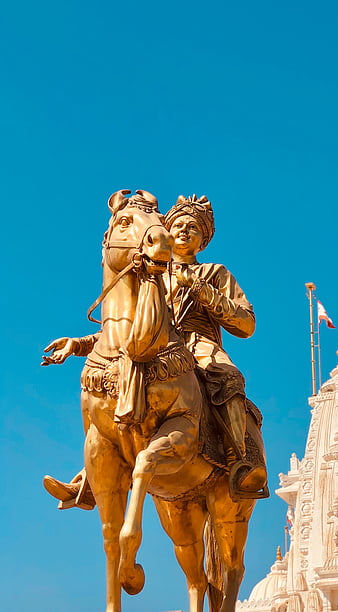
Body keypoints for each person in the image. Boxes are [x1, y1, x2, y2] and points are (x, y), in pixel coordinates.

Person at [42, 194, 267, 508]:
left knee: (228, 377)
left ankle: (241, 460)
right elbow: (126, 328)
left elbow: (245, 323)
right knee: (107, 384)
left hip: (199, 347)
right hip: (153, 346)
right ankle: (92, 475)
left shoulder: (214, 272)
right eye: (177, 226)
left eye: (193, 227)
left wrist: (200, 290)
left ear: (203, 239)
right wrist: (78, 344)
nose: (184, 231)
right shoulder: (152, 273)